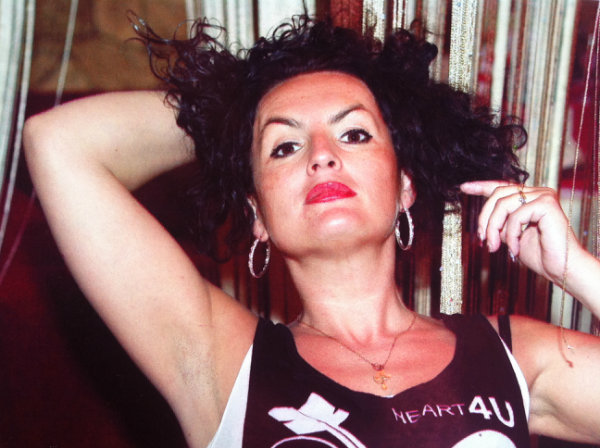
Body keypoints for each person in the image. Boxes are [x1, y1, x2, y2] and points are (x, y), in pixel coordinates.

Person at [23, 15, 600, 447]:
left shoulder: (511, 355)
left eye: (354, 134)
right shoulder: (221, 363)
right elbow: (57, 144)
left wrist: (576, 269)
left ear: (405, 185)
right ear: (257, 213)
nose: (321, 156)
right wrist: (232, 119)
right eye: (285, 146)